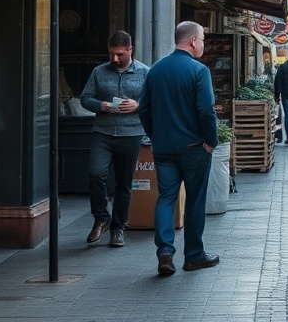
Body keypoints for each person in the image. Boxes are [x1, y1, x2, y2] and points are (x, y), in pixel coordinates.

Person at [138, 21, 219, 277]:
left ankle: (165, 252)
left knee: (166, 198)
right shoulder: (199, 70)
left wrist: (155, 135)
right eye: (203, 39)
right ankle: (194, 256)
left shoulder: (156, 70)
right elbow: (206, 111)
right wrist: (211, 140)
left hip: (164, 148)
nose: (204, 44)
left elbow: (144, 108)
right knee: (194, 201)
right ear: (193, 41)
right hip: (194, 147)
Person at [79, 30, 149, 247]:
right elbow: (85, 98)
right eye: (111, 54)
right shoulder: (99, 72)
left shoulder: (146, 72)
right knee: (96, 173)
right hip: (103, 132)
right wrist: (101, 105)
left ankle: (119, 228)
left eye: (119, 54)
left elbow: (154, 101)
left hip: (132, 133)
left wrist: (138, 105)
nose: (115, 59)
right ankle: (101, 218)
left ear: (130, 49)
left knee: (124, 184)